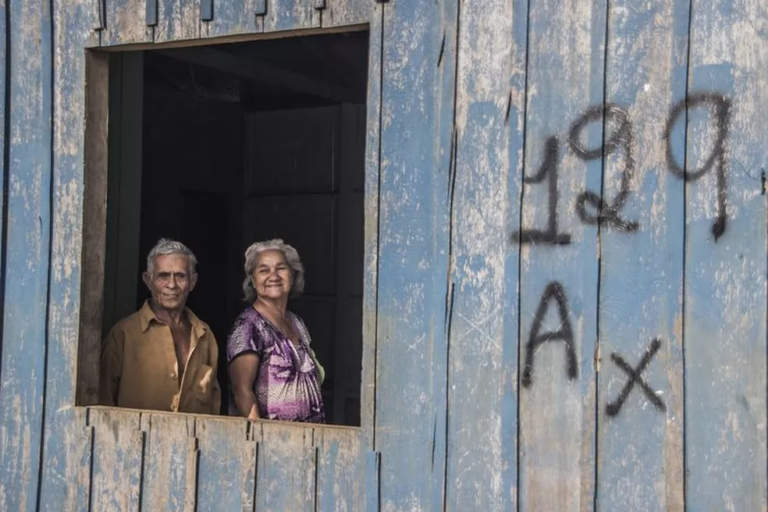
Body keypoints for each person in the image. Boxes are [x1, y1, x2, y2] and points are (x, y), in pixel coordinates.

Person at [99, 238, 221, 414]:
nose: (171, 285)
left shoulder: (204, 336)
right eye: (163, 276)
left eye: (180, 276)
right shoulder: (123, 334)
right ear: (148, 280)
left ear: (192, 282)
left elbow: (213, 406)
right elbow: (103, 402)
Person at [228, 239, 325, 423]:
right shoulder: (248, 326)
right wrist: (260, 441)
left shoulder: (296, 322)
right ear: (253, 281)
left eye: (281, 268)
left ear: (293, 275)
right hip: (274, 443)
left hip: (311, 438)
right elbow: (242, 390)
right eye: (264, 270)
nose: (273, 276)